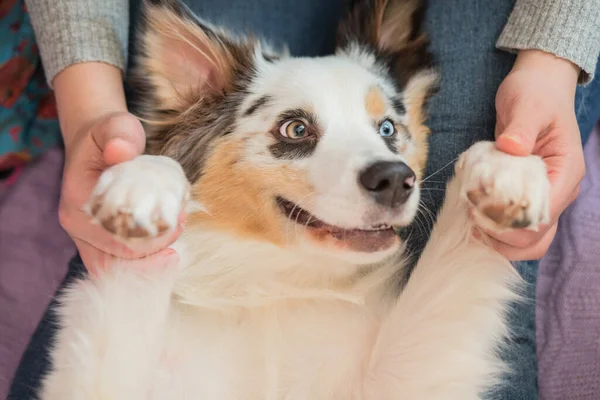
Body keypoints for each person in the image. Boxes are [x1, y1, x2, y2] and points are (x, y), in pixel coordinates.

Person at [9, 0, 600, 398]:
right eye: (295, 131)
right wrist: (495, 171)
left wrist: (137, 194)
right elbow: (430, 370)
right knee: (487, 152)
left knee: (104, 241)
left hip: (198, 277)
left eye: (385, 129)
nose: (388, 169)